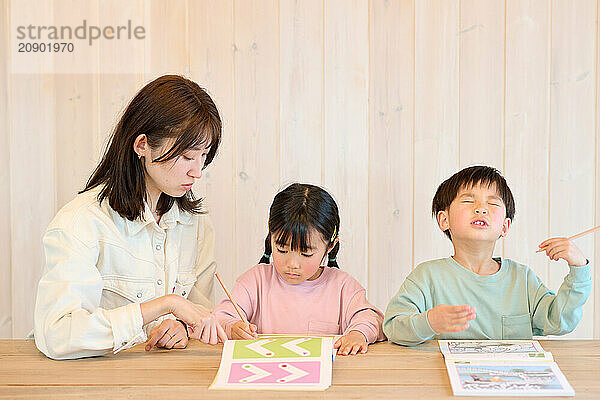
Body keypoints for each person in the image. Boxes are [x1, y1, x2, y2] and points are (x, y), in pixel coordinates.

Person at [34, 75, 227, 359]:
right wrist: (163, 305)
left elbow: (197, 315)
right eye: (187, 157)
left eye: (204, 156)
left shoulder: (195, 223)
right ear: (142, 146)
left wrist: (181, 329)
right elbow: (56, 335)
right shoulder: (81, 222)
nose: (197, 172)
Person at [384, 165, 592, 345]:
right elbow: (393, 327)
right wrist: (428, 322)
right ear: (444, 220)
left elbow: (559, 321)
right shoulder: (427, 276)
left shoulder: (522, 278)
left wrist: (578, 267)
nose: (481, 208)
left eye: (492, 203)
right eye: (468, 201)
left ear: (504, 226)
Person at [213, 183, 386, 355]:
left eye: (306, 253)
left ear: (330, 246)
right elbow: (221, 317)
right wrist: (232, 327)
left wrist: (357, 334)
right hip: (266, 379)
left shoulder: (343, 286)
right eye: (282, 249)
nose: (292, 264)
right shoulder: (254, 282)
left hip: (324, 379)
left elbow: (372, 319)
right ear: (270, 234)